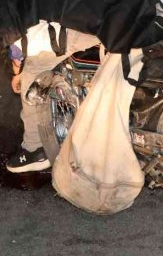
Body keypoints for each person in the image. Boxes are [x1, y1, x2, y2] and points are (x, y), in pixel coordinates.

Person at [6, 22, 100, 173]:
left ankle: (35, 149)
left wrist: (18, 72)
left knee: (33, 70)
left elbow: (18, 42)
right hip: (127, 15)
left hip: (96, 24)